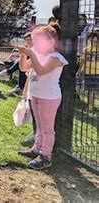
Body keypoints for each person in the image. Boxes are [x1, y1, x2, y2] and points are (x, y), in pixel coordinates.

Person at [17, 23, 68, 170]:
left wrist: (31, 54)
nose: (35, 44)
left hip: (49, 98)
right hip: (35, 95)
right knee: (39, 126)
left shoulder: (56, 58)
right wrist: (23, 54)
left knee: (47, 128)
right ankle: (36, 149)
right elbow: (23, 68)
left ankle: (46, 156)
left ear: (51, 42)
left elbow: (41, 71)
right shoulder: (36, 53)